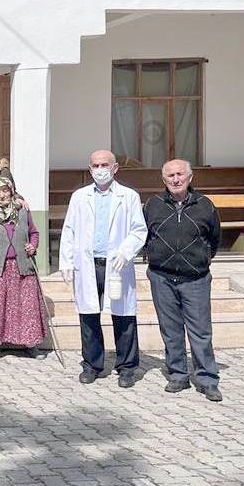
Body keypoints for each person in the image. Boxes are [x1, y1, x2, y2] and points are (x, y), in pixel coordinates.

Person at [59, 149, 148, 388]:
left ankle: (127, 367)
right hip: (88, 265)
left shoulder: (128, 196)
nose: (100, 170)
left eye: (104, 165)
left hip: (117, 265)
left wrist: (126, 251)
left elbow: (139, 230)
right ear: (90, 169)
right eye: (95, 166)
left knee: (124, 315)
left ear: (115, 168)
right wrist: (66, 261)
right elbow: (69, 230)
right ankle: (92, 365)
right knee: (88, 315)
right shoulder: (80, 196)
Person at [144, 159, 224, 402]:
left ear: (190, 178)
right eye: (170, 175)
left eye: (180, 174)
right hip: (162, 277)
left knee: (200, 331)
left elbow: (215, 238)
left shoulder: (205, 205)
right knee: (170, 330)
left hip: (195, 279)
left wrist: (199, 260)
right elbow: (144, 235)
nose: (175, 179)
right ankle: (178, 374)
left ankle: (207, 379)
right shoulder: (153, 205)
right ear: (164, 179)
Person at [0, 175, 46, 358]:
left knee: (27, 306)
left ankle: (30, 344)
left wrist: (33, 245)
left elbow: (34, 233)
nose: (2, 195)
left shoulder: (23, 210)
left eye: (5, 190)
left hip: (22, 265)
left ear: (11, 190)